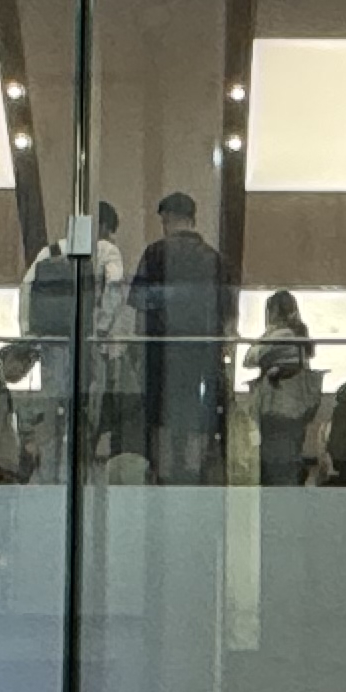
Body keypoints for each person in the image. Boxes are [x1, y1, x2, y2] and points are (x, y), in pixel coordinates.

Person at [133, 190, 232, 482]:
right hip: (203, 351)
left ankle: (163, 471)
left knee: (160, 411)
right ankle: (194, 470)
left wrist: (138, 351)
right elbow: (227, 312)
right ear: (192, 219)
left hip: (161, 350)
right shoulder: (214, 258)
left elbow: (140, 306)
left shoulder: (154, 254)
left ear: (168, 218)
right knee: (198, 411)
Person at [248, 288, 323, 485]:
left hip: (279, 409)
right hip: (292, 411)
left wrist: (266, 335)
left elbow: (251, 357)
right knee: (288, 461)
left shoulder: (282, 335)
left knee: (277, 468)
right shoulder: (298, 337)